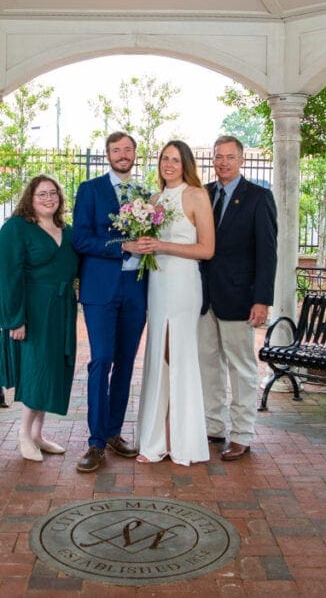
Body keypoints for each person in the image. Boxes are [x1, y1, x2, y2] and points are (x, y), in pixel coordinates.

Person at [129, 140, 215, 465]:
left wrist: (162, 245)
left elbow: (207, 250)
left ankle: (182, 440)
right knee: (158, 355)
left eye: (175, 159)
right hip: (158, 283)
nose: (168, 164)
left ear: (186, 164)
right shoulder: (153, 199)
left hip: (183, 283)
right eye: (164, 158)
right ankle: (156, 439)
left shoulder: (196, 195)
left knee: (177, 352)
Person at [199, 135, 278, 461]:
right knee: (208, 366)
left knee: (242, 369)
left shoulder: (259, 197)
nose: (224, 163)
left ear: (242, 160)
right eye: (219, 157)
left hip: (239, 298)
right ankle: (213, 427)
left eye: (230, 157)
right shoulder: (202, 194)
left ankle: (242, 434)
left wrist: (262, 299)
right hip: (204, 298)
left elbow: (268, 253)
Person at [71, 132, 147, 473]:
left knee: (126, 363)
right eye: (116, 150)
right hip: (101, 289)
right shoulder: (90, 190)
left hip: (137, 287)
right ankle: (96, 442)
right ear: (107, 155)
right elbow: (81, 238)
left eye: (128, 149)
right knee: (101, 360)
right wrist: (121, 246)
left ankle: (115, 432)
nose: (123, 154)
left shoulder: (146, 193)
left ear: (135, 154)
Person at [0, 175, 79, 461]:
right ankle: (23, 434)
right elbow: (6, 276)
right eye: (41, 194)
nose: (48, 198)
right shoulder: (16, 229)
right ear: (30, 198)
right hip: (33, 311)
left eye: (53, 193)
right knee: (36, 371)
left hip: (62, 310)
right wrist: (15, 319)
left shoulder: (66, 230)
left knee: (52, 371)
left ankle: (38, 436)